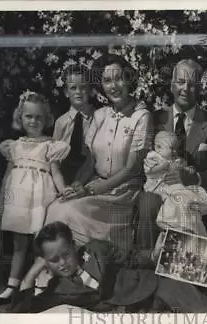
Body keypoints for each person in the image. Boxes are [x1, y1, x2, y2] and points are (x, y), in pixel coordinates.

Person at [45, 54, 153, 251]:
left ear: (128, 78)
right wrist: (78, 184)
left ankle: (86, 270)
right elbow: (90, 162)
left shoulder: (141, 116)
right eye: (107, 80)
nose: (114, 86)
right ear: (101, 85)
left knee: (68, 212)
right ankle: (56, 273)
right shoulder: (100, 115)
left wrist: (89, 191)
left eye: (119, 78)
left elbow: (131, 169)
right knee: (56, 207)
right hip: (95, 186)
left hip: (123, 195)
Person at [0, 91, 70, 305]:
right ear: (20, 117)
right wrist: (1, 201)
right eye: (29, 116)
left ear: (46, 119)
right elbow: (8, 176)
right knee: (18, 245)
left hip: (40, 198)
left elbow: (56, 173)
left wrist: (64, 191)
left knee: (40, 243)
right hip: (18, 199)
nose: (33, 121)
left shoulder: (50, 145)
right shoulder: (13, 146)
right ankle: (11, 285)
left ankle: (38, 285)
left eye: (38, 117)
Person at [137, 59, 207, 249]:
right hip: (158, 189)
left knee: (186, 207)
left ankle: (184, 270)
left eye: (193, 84)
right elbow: (141, 163)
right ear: (171, 85)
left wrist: (194, 177)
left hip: (192, 193)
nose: (186, 88)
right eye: (180, 82)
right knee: (147, 202)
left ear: (200, 88)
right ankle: (147, 266)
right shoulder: (155, 119)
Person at [11, 222, 125, 313]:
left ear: (74, 246)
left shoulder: (97, 250)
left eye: (66, 254)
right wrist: (31, 275)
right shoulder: (56, 289)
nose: (62, 263)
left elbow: (133, 259)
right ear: (46, 263)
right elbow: (20, 312)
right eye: (54, 260)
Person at [144, 131, 207, 236]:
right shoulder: (154, 157)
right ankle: (174, 224)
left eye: (176, 149)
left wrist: (189, 169)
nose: (174, 152)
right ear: (158, 148)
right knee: (180, 199)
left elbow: (182, 168)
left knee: (188, 197)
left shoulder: (175, 159)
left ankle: (190, 227)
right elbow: (149, 171)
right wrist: (165, 165)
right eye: (171, 148)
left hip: (173, 186)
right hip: (158, 187)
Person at [53, 65, 96, 186]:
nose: (78, 92)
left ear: (90, 90)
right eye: (73, 88)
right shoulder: (61, 122)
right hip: (64, 175)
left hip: (90, 175)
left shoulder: (98, 118)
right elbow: (54, 159)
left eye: (83, 87)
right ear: (66, 92)